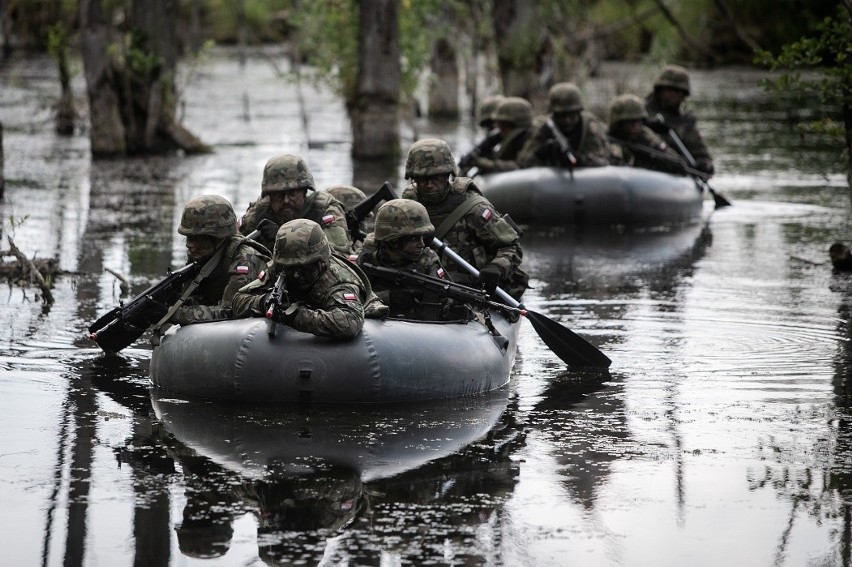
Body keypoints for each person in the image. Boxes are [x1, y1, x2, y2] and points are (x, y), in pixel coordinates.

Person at [400, 138, 529, 300]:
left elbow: (512, 246)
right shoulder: (407, 206)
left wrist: (497, 267)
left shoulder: (474, 208)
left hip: (469, 289)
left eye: (436, 177)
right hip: (423, 284)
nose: (429, 185)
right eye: (422, 179)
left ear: (448, 175)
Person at [232, 219, 385, 339]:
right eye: (291, 269)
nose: (297, 275)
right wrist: (263, 301)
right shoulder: (280, 268)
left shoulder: (337, 280)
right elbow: (239, 300)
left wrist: (293, 316)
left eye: (304, 268)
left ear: (322, 262)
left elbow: (348, 323)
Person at [164, 195, 270, 327]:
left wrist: (175, 314)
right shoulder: (202, 254)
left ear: (218, 238)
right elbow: (198, 298)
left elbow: (230, 311)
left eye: (197, 238)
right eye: (188, 238)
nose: (189, 245)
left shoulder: (244, 259)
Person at [354, 199, 463, 319]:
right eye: (414, 239)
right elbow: (349, 299)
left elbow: (446, 299)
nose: (421, 244)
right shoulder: (365, 258)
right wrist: (390, 297)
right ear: (393, 240)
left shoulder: (427, 262)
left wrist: (453, 310)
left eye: (422, 238)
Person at [238, 153, 353, 256]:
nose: (286, 200)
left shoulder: (324, 211)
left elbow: (339, 256)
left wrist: (283, 239)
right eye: (279, 195)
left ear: (304, 191)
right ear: (269, 196)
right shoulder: (259, 213)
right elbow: (232, 250)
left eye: (292, 193)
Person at [517, 82, 611, 168]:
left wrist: (579, 160)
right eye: (561, 115)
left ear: (579, 111)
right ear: (553, 113)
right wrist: (541, 153)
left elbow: (603, 162)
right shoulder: (542, 127)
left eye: (572, 114)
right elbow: (523, 162)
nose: (567, 120)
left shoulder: (590, 127)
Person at [645, 64, 715, 176]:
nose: (673, 95)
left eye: (678, 92)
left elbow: (702, 155)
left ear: (683, 95)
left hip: (675, 173)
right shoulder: (641, 113)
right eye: (669, 90)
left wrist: (704, 165)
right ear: (659, 91)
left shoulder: (686, 123)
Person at [607, 93, 687, 174]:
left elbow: (676, 162)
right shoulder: (609, 142)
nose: (634, 125)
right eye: (629, 121)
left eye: (638, 120)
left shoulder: (646, 136)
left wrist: (653, 151)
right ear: (618, 123)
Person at [462, 96, 534, 175]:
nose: (496, 128)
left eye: (502, 124)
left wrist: (482, 163)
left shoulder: (528, 141)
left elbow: (520, 166)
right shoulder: (501, 142)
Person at [458, 94, 504, 176]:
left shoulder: (517, 141)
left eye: (493, 123)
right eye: (488, 125)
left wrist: (480, 162)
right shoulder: (492, 143)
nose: (491, 129)